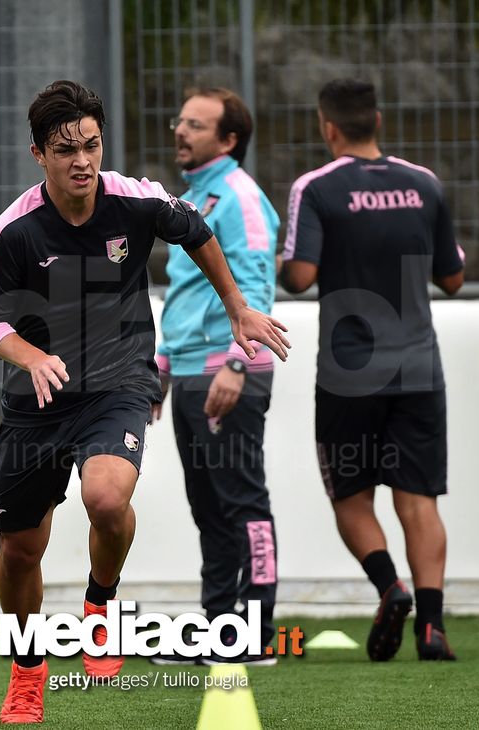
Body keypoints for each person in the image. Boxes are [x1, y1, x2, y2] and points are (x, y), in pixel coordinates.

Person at [0, 80, 290, 724]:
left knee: (107, 498)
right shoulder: (12, 231)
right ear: (38, 154)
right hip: (39, 399)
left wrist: (236, 306)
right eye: (65, 150)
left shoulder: (135, 200)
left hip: (120, 382)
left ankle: (100, 602)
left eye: (90, 145)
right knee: (18, 550)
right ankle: (28, 669)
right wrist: (30, 357)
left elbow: (196, 231)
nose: (82, 161)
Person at [279, 78, 464, 662]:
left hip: (349, 369)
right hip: (419, 367)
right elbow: (453, 279)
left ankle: (391, 588)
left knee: (352, 497)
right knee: (419, 499)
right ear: (377, 121)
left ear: (327, 127)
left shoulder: (316, 188)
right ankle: (432, 627)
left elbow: (300, 275)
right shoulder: (424, 184)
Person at [152, 87, 281, 665]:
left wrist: (238, 362)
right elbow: (184, 293)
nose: (181, 131)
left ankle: (256, 632)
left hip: (229, 371)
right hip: (188, 373)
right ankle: (219, 630)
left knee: (243, 501)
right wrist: (161, 363)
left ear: (229, 140)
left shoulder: (241, 198)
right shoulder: (194, 200)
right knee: (208, 506)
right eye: (180, 121)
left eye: (197, 125)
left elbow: (254, 284)